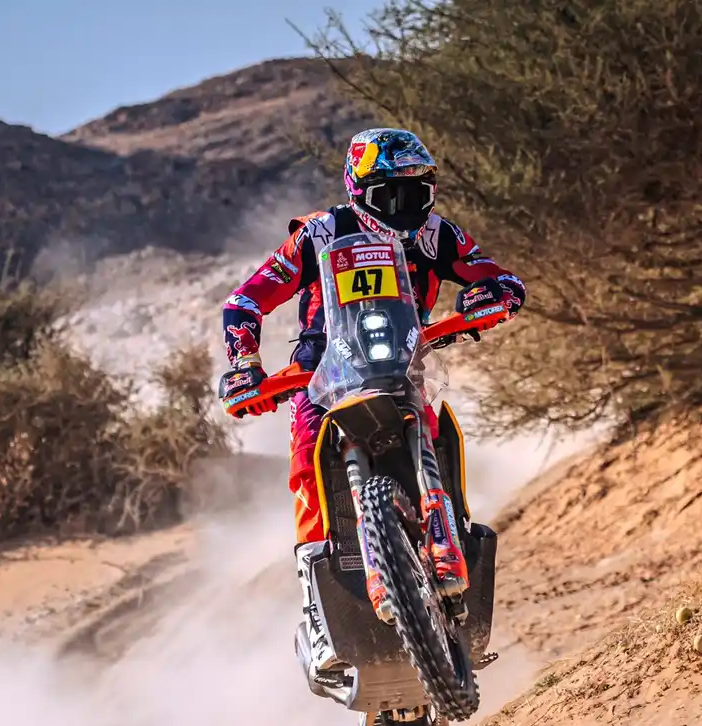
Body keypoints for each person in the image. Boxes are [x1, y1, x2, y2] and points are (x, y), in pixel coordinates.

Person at [216, 128, 525, 617]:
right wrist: (244, 365)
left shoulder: (437, 234)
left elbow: (496, 274)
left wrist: (495, 293)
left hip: (403, 361)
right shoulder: (318, 233)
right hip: (322, 373)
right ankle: (317, 605)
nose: (405, 206)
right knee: (306, 466)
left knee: (441, 430)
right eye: (391, 194)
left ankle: (454, 535)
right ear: (359, 191)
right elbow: (244, 300)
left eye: (416, 192)